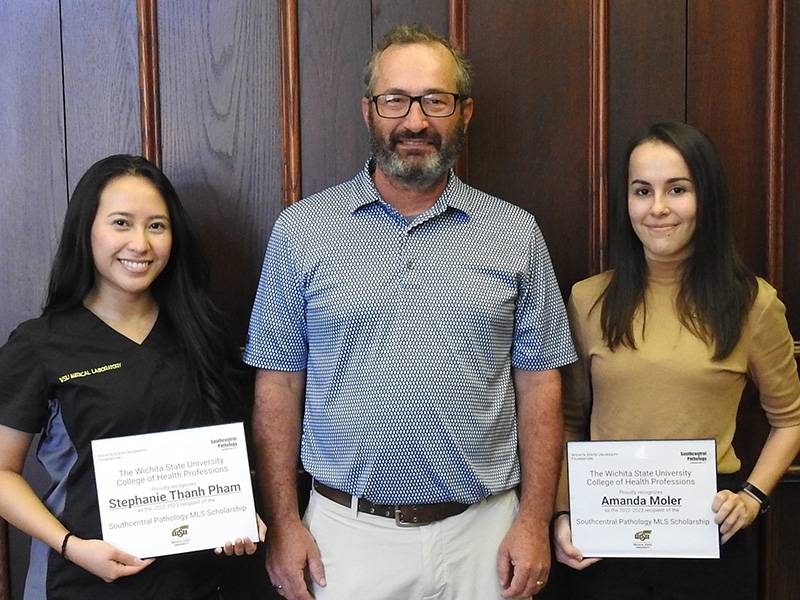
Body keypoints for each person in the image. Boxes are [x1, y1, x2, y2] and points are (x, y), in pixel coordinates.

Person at [244, 23, 576, 600]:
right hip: (347, 540)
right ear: (368, 110)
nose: (415, 121)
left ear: (464, 113)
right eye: (395, 100)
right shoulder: (303, 232)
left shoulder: (516, 234)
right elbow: (277, 388)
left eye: (435, 101)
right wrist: (285, 524)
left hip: (486, 535)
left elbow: (542, 386)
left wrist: (533, 521)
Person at [553, 122, 800, 599]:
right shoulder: (588, 300)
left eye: (678, 189)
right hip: (605, 535)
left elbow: (790, 419)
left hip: (710, 529)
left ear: (706, 198)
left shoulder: (752, 303)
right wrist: (563, 515)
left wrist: (751, 498)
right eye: (642, 191)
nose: (658, 208)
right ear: (626, 202)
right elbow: (568, 420)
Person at [0, 155, 264, 600]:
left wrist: (239, 516)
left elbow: (228, 451)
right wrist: (72, 547)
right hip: (80, 584)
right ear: (87, 230)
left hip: (193, 586)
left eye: (156, 226)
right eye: (121, 223)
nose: (140, 244)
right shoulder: (39, 344)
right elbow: (3, 473)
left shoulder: (203, 334)